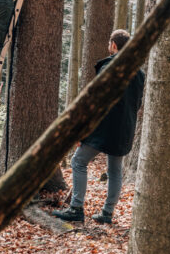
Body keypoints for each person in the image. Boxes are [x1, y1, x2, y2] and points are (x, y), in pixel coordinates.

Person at [52, 30, 144, 225]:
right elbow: (138, 103)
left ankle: (76, 208)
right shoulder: (139, 73)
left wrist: (82, 130)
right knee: (115, 170)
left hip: (104, 127)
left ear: (113, 45)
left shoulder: (110, 67)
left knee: (78, 161)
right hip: (124, 128)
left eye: (109, 43)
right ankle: (107, 213)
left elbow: (96, 100)